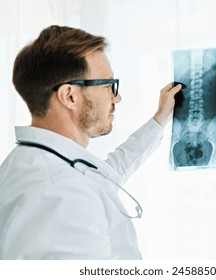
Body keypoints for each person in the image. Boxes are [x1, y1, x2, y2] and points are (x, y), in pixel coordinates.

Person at [0, 25, 181, 259]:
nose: (117, 97)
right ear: (70, 96)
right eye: (108, 85)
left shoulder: (40, 163)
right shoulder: (61, 194)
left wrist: (159, 120)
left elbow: (106, 173)